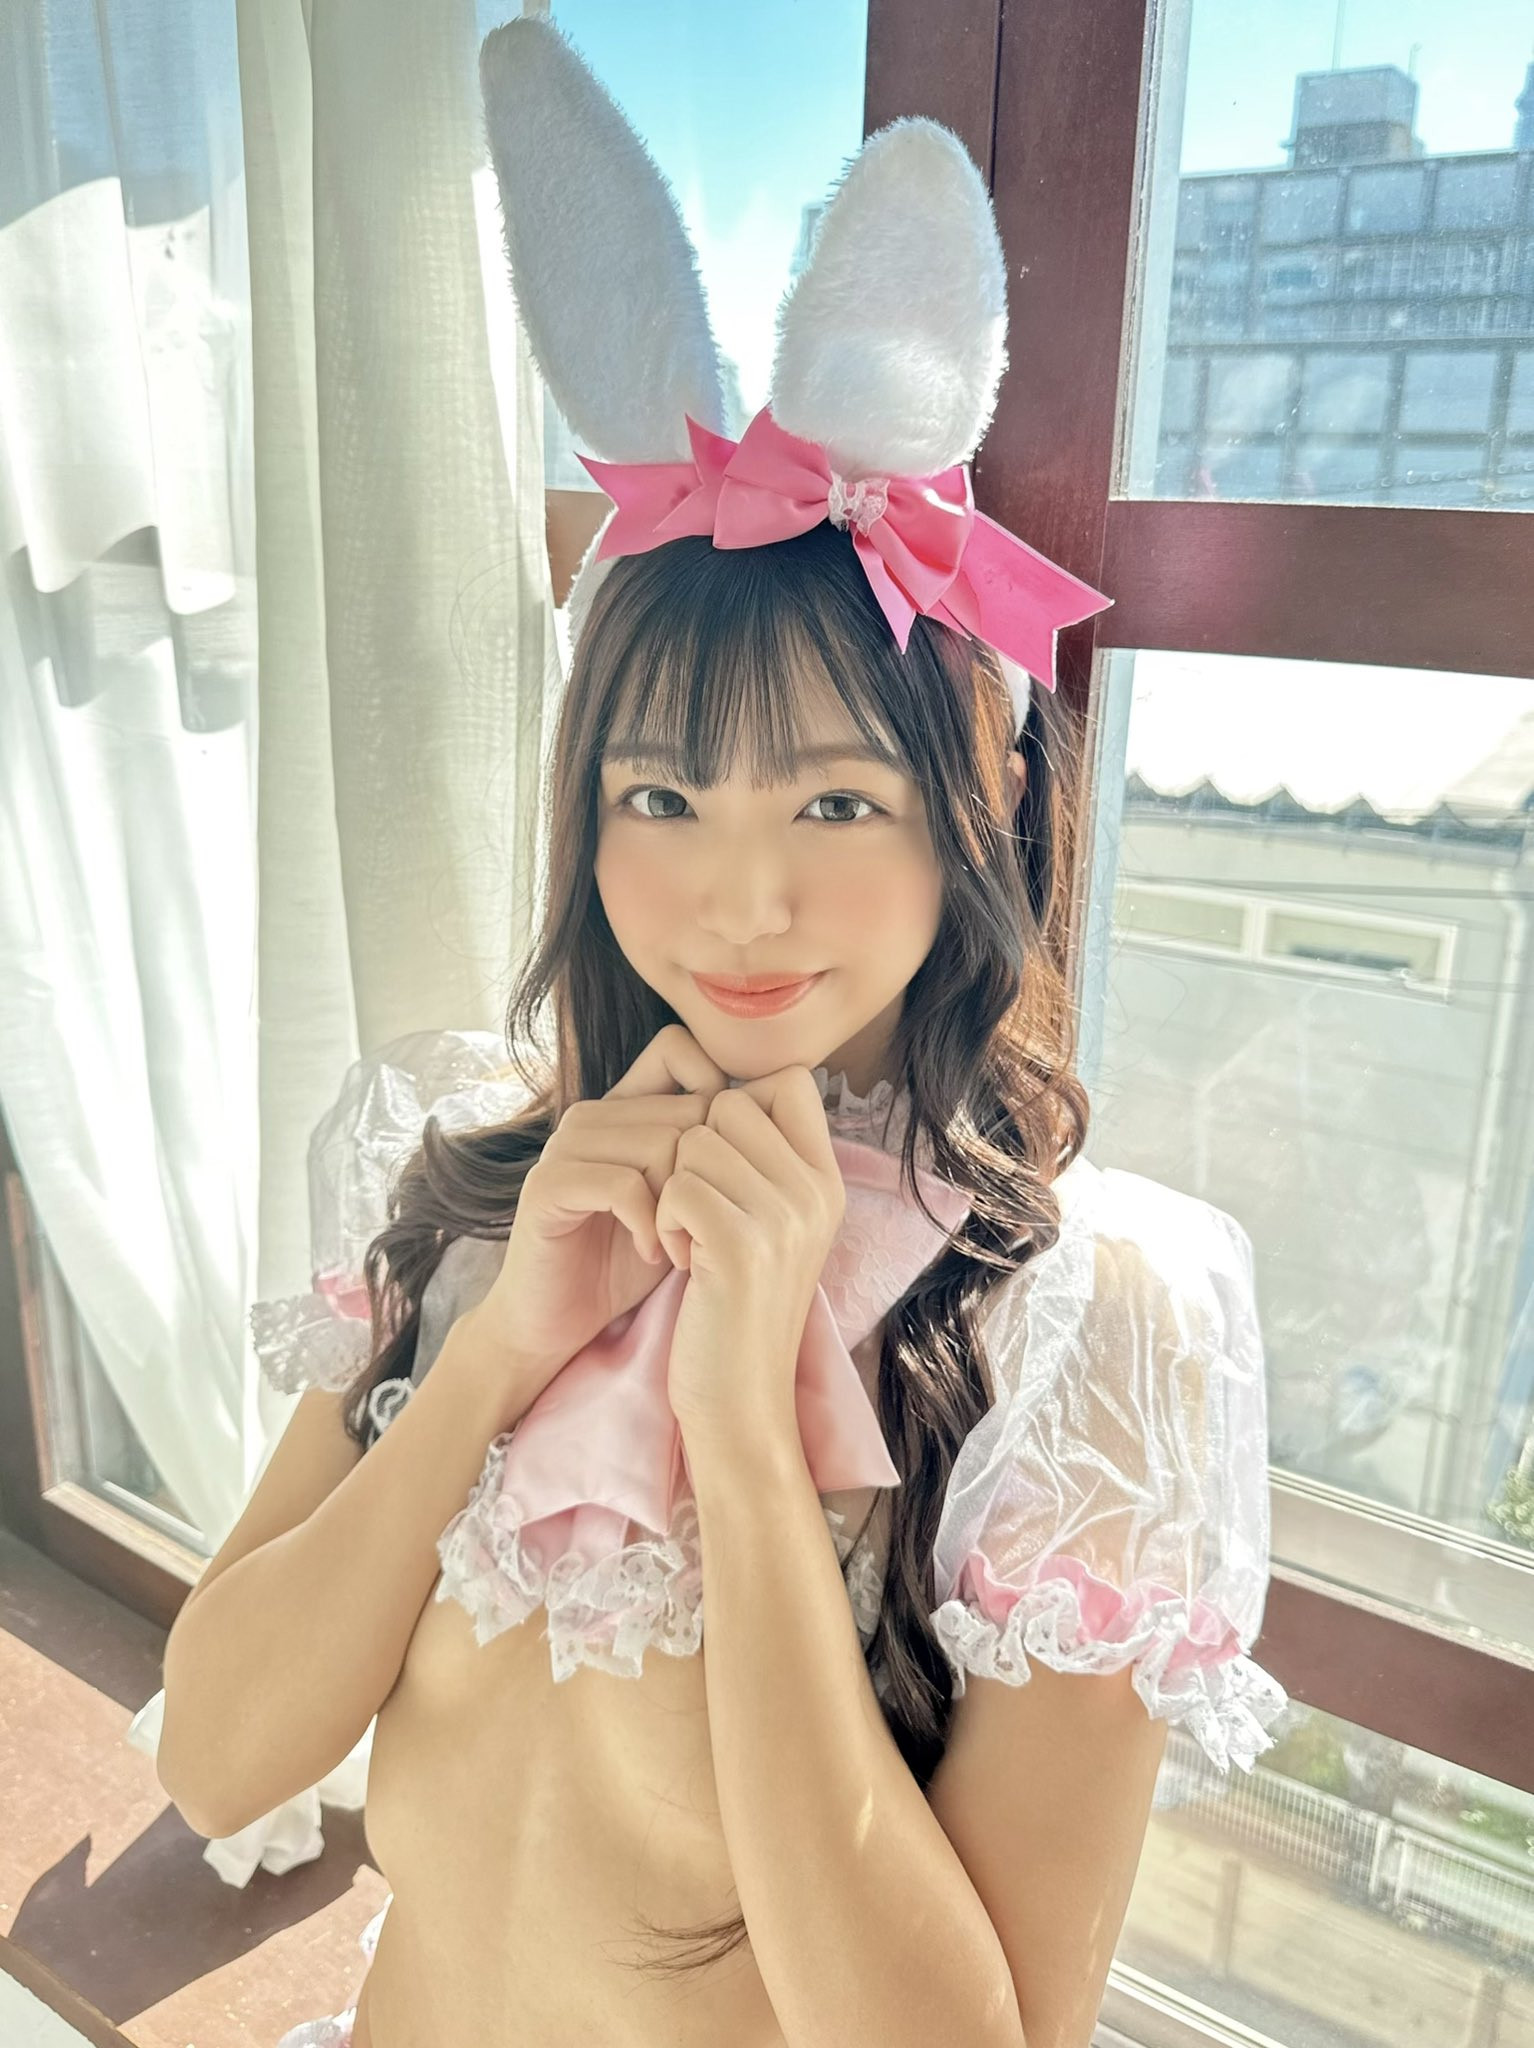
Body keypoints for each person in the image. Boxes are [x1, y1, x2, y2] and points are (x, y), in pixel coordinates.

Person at [151, 19, 1288, 2047]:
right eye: (661, 793)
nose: (736, 897)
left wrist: (754, 1457)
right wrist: (497, 1348)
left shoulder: (1072, 1329)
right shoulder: (469, 1181)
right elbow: (222, 1755)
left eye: (833, 801)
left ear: (976, 808)